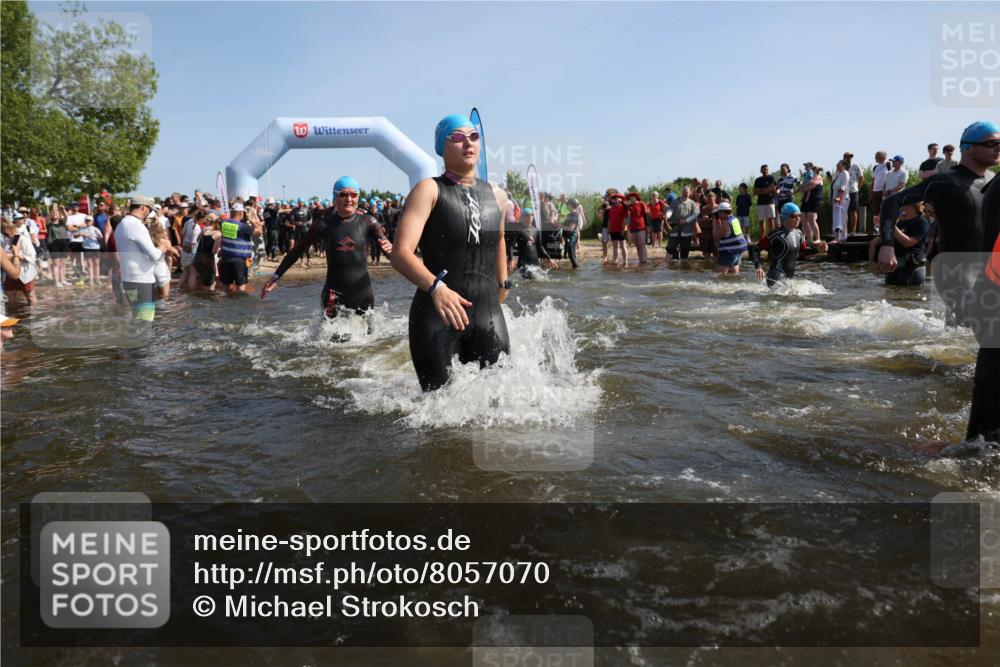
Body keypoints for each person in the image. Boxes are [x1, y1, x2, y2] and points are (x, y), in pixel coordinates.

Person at [878, 120, 1000, 444]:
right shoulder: (945, 182)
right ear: (968, 148)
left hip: (987, 273)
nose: (997, 148)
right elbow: (891, 202)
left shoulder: (996, 183)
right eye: (991, 143)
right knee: (985, 333)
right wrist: (887, 243)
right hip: (953, 270)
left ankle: (951, 374)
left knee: (965, 338)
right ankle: (981, 428)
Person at [390, 113, 511, 392]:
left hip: (488, 314)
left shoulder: (498, 194)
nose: (467, 143)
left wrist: (503, 282)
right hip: (436, 315)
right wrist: (436, 288)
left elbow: (500, 238)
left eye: (473, 136)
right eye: (456, 137)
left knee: (500, 403)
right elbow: (400, 253)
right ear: (441, 148)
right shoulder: (429, 189)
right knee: (438, 415)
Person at [262, 176, 392, 327]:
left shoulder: (369, 222)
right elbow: (297, 250)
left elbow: (390, 251)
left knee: (369, 342)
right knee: (331, 344)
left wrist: (393, 252)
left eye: (353, 195)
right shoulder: (322, 224)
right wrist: (276, 276)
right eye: (343, 194)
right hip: (333, 294)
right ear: (335, 197)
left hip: (362, 292)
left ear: (358, 197)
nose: (349, 199)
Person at [113, 195, 178, 320]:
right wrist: (163, 247)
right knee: (145, 321)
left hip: (128, 280)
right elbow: (154, 255)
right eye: (149, 210)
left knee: (137, 318)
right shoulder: (136, 225)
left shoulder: (121, 225)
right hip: (141, 281)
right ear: (143, 208)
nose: (149, 214)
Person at [752, 202, 828, 287]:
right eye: (794, 216)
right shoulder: (775, 235)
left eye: (799, 215)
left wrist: (818, 249)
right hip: (775, 277)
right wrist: (758, 266)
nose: (798, 218)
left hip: (788, 279)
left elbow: (803, 252)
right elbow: (756, 248)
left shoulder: (799, 234)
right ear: (785, 217)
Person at [883, 195, 929, 286]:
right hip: (897, 264)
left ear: (912, 205)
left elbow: (908, 243)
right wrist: (882, 226)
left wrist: (892, 226)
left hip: (913, 267)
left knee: (910, 294)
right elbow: (890, 240)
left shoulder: (922, 222)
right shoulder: (901, 221)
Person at [216, 203, 261, 293]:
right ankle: (240, 306)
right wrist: (250, 219)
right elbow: (259, 231)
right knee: (241, 287)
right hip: (239, 260)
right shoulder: (243, 227)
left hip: (225, 259)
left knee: (224, 286)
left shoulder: (224, 223)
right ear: (241, 213)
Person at [2, 218, 38, 306]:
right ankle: (13, 315)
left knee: (30, 296)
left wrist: (16, 256)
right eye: (3, 233)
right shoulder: (4, 240)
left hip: (24, 272)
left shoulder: (21, 239)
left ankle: (32, 315)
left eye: (6, 233)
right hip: (10, 272)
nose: (5, 235)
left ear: (12, 230)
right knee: (10, 297)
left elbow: (32, 255)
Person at [712, 202, 748, 274]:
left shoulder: (725, 223)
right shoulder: (734, 219)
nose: (718, 214)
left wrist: (715, 222)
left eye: (719, 212)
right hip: (738, 251)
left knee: (717, 277)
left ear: (722, 212)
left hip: (729, 252)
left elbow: (716, 237)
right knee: (734, 276)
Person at [667, 186, 699, 260]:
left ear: (689, 193)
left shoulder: (692, 203)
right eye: (684, 192)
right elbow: (670, 210)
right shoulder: (675, 201)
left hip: (687, 230)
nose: (685, 194)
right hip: (675, 229)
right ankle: (675, 261)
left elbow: (695, 214)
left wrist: (686, 221)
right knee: (670, 248)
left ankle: (683, 268)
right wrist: (667, 216)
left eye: (687, 192)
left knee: (685, 253)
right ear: (682, 192)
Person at [192, 214, 222, 291]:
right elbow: (214, 251)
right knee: (209, 284)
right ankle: (207, 300)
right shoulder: (218, 234)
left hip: (197, 258)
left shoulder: (204, 230)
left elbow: (198, 239)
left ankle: (195, 298)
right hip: (207, 260)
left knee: (200, 280)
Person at [46, 204, 70, 287]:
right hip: (54, 244)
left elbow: (66, 216)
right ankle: (56, 281)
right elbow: (47, 218)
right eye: (53, 213)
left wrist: (62, 209)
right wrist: (52, 211)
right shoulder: (49, 224)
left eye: (57, 213)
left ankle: (63, 280)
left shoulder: (62, 223)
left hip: (63, 243)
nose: (55, 214)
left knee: (63, 264)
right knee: (56, 264)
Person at [843, 151, 865, 233]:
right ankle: (844, 230)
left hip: (853, 191)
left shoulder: (856, 166)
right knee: (844, 211)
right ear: (844, 158)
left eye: (850, 157)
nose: (849, 158)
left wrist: (858, 188)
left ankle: (853, 230)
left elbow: (861, 178)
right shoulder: (841, 166)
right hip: (844, 192)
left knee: (853, 211)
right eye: (847, 157)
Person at [626, 192, 649, 264]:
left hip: (641, 226)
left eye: (631, 197)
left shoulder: (641, 203)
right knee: (637, 245)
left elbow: (646, 215)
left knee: (642, 244)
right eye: (629, 198)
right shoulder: (629, 206)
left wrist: (647, 226)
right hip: (633, 228)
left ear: (635, 197)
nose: (630, 199)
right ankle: (641, 260)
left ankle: (644, 260)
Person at [753, 165, 777, 234]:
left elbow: (772, 188)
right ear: (761, 171)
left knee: (771, 220)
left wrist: (760, 190)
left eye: (766, 169)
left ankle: (771, 237)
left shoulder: (771, 178)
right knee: (761, 221)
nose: (765, 171)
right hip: (760, 203)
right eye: (763, 169)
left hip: (770, 202)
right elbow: (755, 192)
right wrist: (766, 190)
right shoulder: (758, 180)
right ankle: (762, 239)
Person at [606, 191, 628, 265]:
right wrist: (609, 229)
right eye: (614, 198)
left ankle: (625, 261)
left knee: (623, 246)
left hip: (621, 229)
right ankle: (615, 260)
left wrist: (623, 228)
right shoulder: (611, 208)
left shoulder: (623, 207)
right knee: (615, 246)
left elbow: (625, 219)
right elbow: (609, 220)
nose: (616, 199)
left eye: (617, 198)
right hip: (613, 229)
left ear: (621, 199)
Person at [831, 160, 850, 243]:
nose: (837, 166)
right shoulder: (838, 174)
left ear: (844, 166)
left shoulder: (845, 173)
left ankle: (838, 238)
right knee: (840, 217)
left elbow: (843, 186)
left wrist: (839, 197)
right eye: (837, 165)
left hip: (842, 199)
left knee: (838, 218)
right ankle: (842, 238)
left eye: (839, 165)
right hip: (836, 199)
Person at [561, 198, 582, 269]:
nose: (567, 205)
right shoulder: (569, 214)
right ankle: (575, 267)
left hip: (573, 235)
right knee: (571, 251)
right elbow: (565, 224)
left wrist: (560, 225)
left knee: (570, 250)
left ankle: (576, 267)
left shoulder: (574, 214)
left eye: (568, 204)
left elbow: (571, 228)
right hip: (569, 235)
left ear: (570, 205)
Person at [871, 151, 890, 230]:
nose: (875, 158)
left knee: (885, 210)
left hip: (884, 191)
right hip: (875, 191)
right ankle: (876, 228)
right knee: (876, 210)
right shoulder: (875, 167)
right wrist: (871, 192)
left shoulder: (889, 165)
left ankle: (885, 227)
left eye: (876, 156)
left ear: (882, 157)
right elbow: (873, 180)